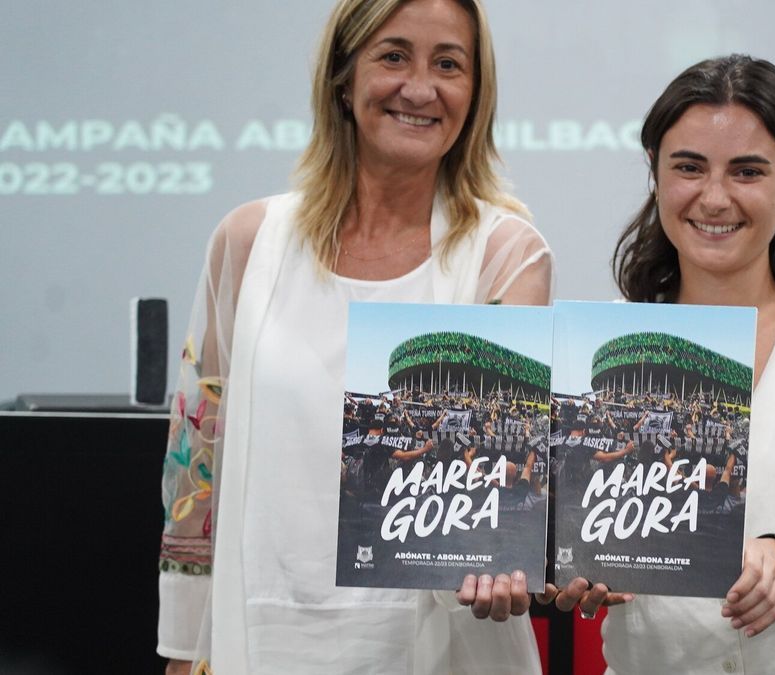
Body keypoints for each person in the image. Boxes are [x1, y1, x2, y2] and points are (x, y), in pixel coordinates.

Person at [156, 0, 551, 672]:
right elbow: (197, 464)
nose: (420, 88)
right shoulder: (247, 242)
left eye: (448, 64)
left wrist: (509, 554)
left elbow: (509, 476)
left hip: (442, 647)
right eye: (393, 55)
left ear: (475, 93)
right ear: (343, 77)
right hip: (262, 638)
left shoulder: (506, 254)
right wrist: (184, 646)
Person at [551, 54, 775, 673]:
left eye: (747, 171)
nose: (714, 198)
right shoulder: (608, 341)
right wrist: (572, 572)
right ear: (656, 176)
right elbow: (577, 539)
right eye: (689, 168)